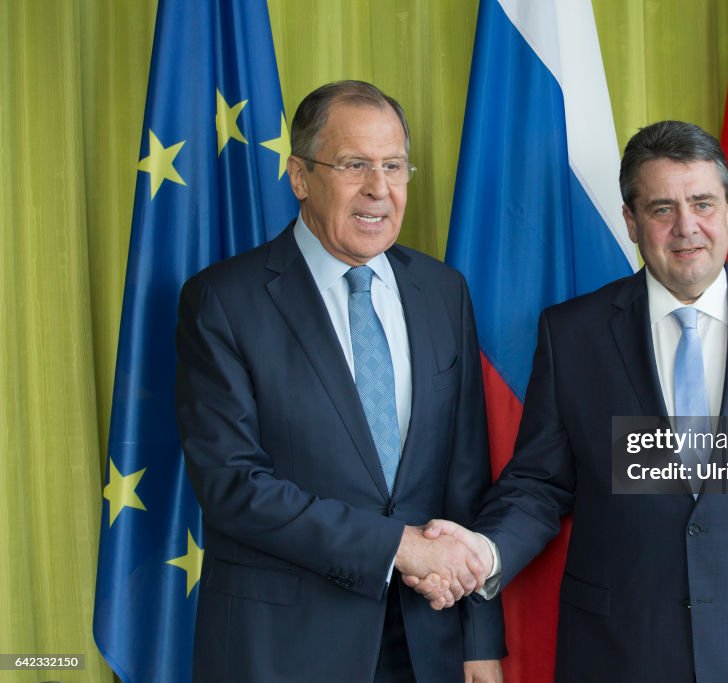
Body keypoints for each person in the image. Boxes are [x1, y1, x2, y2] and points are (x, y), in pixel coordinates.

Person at [410, 121, 728, 681]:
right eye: (662, 209)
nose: (687, 227)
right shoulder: (572, 335)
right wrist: (484, 555)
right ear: (631, 221)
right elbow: (538, 484)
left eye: (703, 203)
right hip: (618, 653)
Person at [175, 80, 504, 683]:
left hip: (426, 642)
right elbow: (233, 486)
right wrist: (396, 546)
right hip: (282, 648)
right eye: (355, 165)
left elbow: (465, 477)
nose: (379, 189)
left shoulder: (442, 291)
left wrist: (480, 638)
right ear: (300, 177)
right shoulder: (223, 300)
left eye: (394, 166)